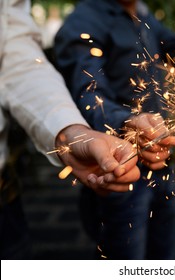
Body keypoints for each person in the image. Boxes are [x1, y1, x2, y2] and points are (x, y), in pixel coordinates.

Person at [54, 0, 175, 259]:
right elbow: (87, 94)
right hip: (119, 167)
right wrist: (126, 121)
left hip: (160, 162)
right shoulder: (83, 23)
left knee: (163, 254)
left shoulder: (140, 13)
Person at [0, 0, 141, 259]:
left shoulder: (144, 18)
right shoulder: (84, 22)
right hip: (115, 163)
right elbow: (87, 87)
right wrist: (121, 121)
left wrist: (68, 131)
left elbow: (13, 51)